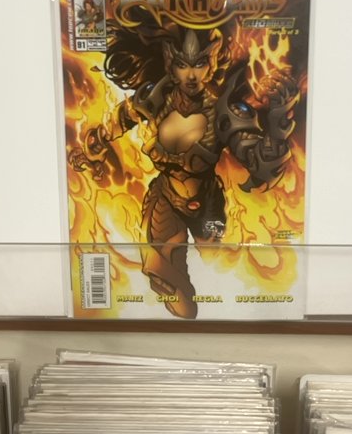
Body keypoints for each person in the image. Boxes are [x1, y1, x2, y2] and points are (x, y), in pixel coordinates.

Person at [69, 24, 299, 319]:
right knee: (175, 294)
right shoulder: (154, 99)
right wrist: (92, 150)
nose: (191, 75)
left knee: (222, 272)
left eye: (200, 64)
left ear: (212, 62)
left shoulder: (225, 111)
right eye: (182, 64)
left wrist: (279, 122)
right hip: (165, 200)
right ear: (170, 62)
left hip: (208, 204)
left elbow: (258, 159)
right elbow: (117, 121)